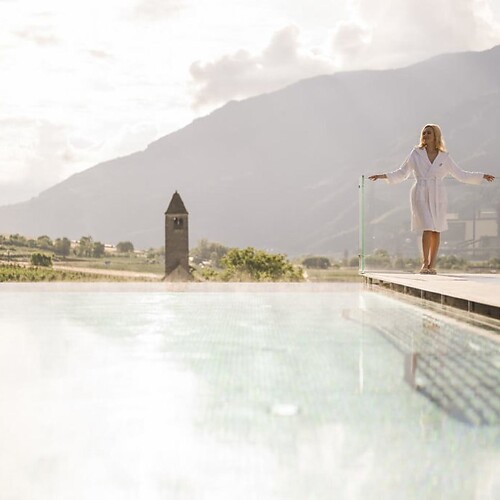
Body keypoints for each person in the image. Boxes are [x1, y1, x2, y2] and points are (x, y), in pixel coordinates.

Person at [369, 124, 495, 274]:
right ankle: (424, 263)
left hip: (438, 194)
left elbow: (461, 174)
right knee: (428, 226)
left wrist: (482, 176)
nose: (425, 135)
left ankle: (432, 265)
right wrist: (382, 176)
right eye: (424, 133)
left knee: (436, 229)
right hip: (420, 193)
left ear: (436, 136)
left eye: (429, 133)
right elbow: (403, 172)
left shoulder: (444, 157)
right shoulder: (416, 154)